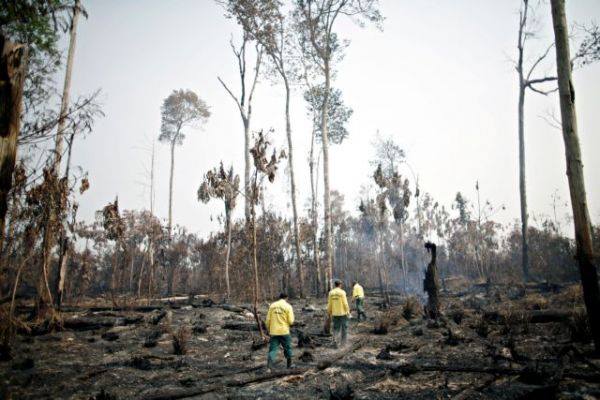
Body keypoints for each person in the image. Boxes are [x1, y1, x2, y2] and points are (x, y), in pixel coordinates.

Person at [265, 293, 295, 370]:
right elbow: (291, 321)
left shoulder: (272, 305)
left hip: (274, 331)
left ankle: (269, 366)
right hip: (284, 331)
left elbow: (268, 320)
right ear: (286, 298)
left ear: (279, 298)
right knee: (287, 348)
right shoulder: (288, 306)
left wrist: (268, 329)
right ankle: (289, 365)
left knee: (273, 349)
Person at [327, 280, 350, 348]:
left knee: (336, 328)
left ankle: (335, 341)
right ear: (340, 285)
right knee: (344, 328)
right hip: (343, 313)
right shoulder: (342, 292)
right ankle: (343, 343)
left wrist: (329, 312)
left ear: (335, 285)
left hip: (335, 313)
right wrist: (348, 311)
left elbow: (329, 304)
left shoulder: (331, 293)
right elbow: (345, 303)